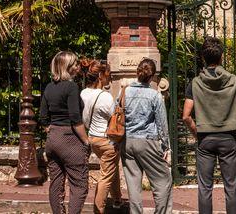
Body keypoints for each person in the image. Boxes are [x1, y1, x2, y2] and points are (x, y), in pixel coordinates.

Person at [182, 37, 236, 214]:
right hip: (228, 138)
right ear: (221, 56)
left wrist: (197, 133)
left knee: (205, 187)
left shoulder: (195, 83)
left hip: (205, 138)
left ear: (203, 57)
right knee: (231, 186)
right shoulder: (234, 81)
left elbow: (186, 116)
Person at [39, 50, 91, 214]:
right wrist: (86, 141)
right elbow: (75, 118)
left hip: (53, 139)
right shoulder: (71, 87)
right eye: (74, 64)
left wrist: (51, 130)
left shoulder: (49, 87)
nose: (78, 66)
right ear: (67, 67)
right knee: (79, 184)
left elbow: (43, 117)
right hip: (70, 140)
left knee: (56, 183)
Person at [122, 58, 172, 214]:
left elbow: (117, 115)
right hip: (147, 141)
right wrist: (166, 147)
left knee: (133, 185)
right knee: (163, 180)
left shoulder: (124, 92)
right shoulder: (154, 96)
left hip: (127, 142)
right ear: (152, 76)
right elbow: (162, 124)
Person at [79, 58, 123, 214]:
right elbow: (115, 118)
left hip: (92, 138)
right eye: (108, 74)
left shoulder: (83, 93)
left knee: (111, 168)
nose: (109, 77)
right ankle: (98, 210)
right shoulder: (105, 96)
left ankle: (117, 199)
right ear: (100, 76)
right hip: (106, 141)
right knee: (105, 177)